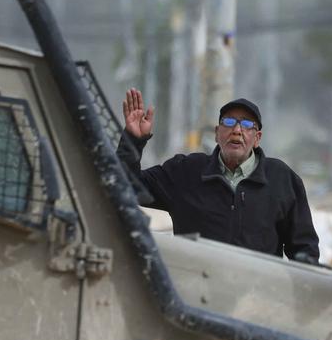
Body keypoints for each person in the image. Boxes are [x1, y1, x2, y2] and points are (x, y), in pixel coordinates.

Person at [117, 89, 320, 261]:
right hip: (194, 297)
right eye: (229, 122)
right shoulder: (185, 172)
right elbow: (126, 186)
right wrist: (133, 140)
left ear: (257, 138)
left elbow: (304, 251)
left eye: (248, 125)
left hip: (258, 300)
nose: (237, 130)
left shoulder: (281, 179)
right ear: (216, 133)